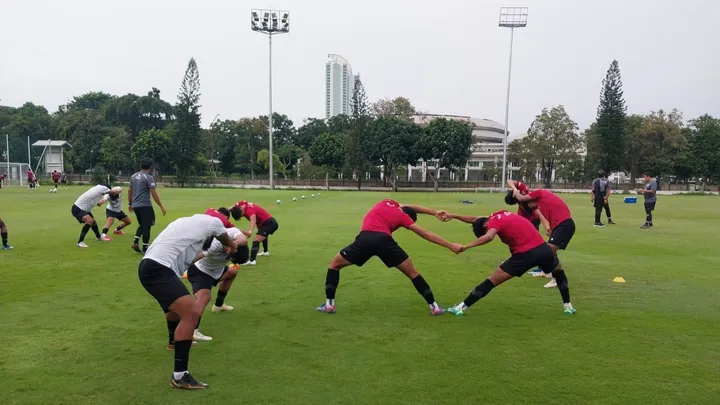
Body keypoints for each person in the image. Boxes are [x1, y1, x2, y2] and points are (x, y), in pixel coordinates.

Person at [316, 199, 463, 315]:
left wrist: (434, 212)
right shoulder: (403, 217)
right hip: (384, 241)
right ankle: (435, 307)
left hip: (365, 239)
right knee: (413, 273)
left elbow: (410, 206)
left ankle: (329, 305)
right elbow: (425, 233)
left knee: (334, 265)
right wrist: (450, 245)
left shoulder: (388, 202)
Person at [139, 214, 236, 390]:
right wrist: (232, 246)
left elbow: (189, 253)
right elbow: (227, 239)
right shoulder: (214, 222)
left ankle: (172, 342)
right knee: (192, 313)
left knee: (175, 310)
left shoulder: (184, 222)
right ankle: (180, 375)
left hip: (149, 266)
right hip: (159, 269)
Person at [443, 210, 576, 316]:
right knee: (558, 272)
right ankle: (568, 306)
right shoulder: (497, 215)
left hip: (525, 255)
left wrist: (466, 246)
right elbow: (474, 219)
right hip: (544, 249)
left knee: (492, 280)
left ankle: (460, 308)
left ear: (485, 226)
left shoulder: (492, 224)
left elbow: (489, 236)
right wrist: (453, 215)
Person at [186, 225, 247, 342]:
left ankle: (218, 306)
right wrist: (180, 266)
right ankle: (192, 330)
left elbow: (244, 239)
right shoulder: (215, 245)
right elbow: (198, 256)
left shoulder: (233, 232)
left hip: (215, 271)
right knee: (204, 297)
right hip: (200, 271)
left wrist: (233, 245)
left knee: (232, 272)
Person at [512, 184, 576, 289]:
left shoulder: (540, 192)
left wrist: (515, 191)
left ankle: (555, 279)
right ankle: (550, 274)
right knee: (550, 252)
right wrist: (550, 229)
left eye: (530, 205)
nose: (532, 208)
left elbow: (521, 197)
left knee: (548, 252)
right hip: (562, 226)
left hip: (565, 225)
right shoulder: (541, 203)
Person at [129, 158, 166, 254]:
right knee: (147, 225)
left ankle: (135, 242)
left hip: (136, 205)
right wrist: (161, 206)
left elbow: (130, 190)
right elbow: (153, 193)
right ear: (151, 167)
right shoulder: (148, 177)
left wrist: (130, 204)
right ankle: (145, 248)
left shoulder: (133, 176)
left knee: (142, 224)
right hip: (145, 205)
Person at [229, 201, 278, 266]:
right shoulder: (241, 205)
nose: (242, 216)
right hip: (265, 223)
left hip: (269, 223)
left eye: (241, 215)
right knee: (263, 236)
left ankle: (252, 261)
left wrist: (250, 231)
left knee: (256, 241)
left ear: (241, 211)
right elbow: (230, 208)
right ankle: (265, 252)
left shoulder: (249, 211)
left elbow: (253, 220)